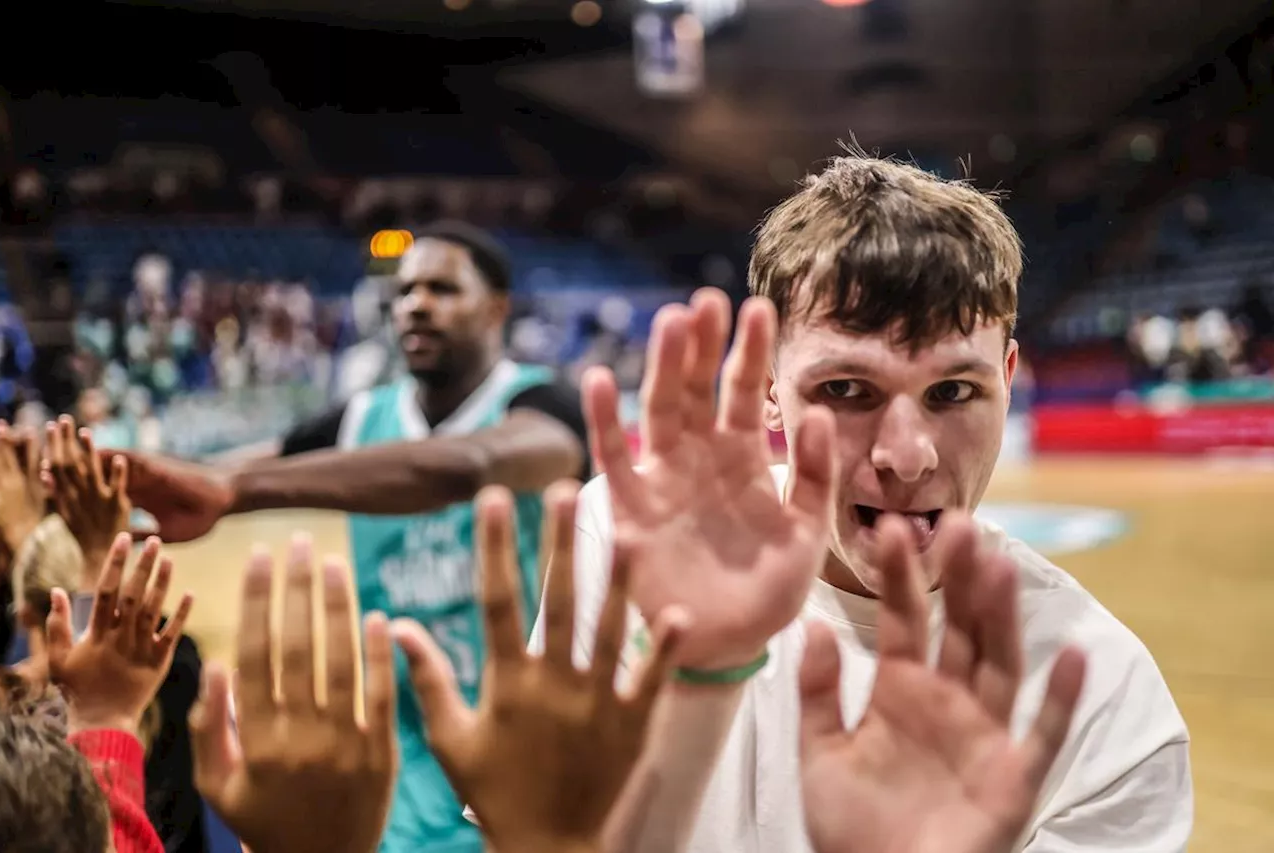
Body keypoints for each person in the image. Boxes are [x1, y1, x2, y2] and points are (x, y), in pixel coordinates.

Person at [540, 153, 1192, 853]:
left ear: (1008, 381)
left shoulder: (1107, 704)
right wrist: (697, 690)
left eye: (953, 392)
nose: (907, 455)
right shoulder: (626, 541)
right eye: (847, 389)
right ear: (767, 386)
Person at [103, 221, 591, 853]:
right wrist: (105, 481)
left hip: (519, 761)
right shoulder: (364, 415)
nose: (415, 303)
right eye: (406, 291)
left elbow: (465, 466)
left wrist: (234, 493)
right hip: (394, 769)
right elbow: (229, 472)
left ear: (497, 307)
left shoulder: (543, 405)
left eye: (442, 288)